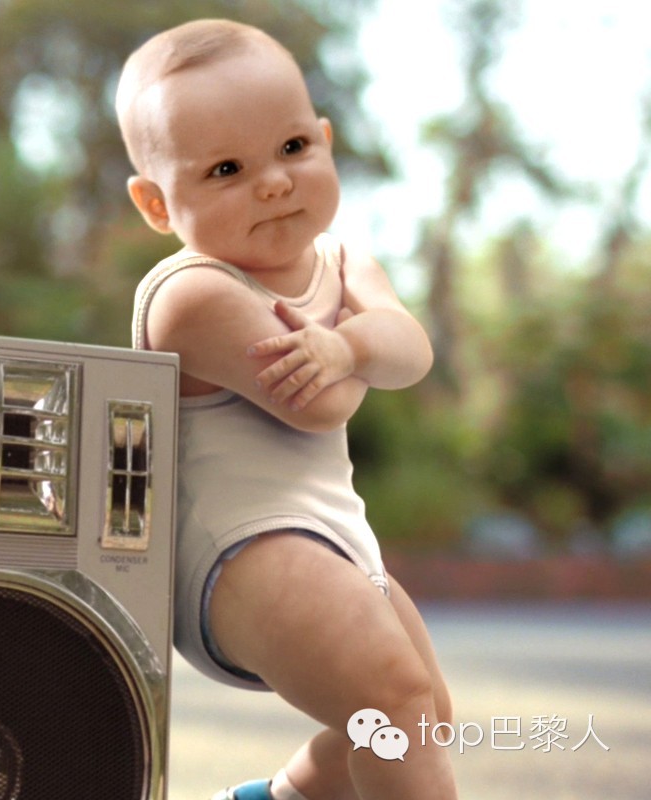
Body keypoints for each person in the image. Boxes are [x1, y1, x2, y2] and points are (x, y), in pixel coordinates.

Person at [116, 19, 457, 800]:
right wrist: (359, 346)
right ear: (156, 204)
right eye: (227, 168)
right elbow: (321, 403)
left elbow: (414, 350)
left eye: (294, 149)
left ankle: (277, 799)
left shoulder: (343, 259)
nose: (273, 182)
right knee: (392, 703)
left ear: (325, 138)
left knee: (424, 715)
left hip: (336, 533)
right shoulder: (193, 294)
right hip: (240, 546)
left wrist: (351, 343)